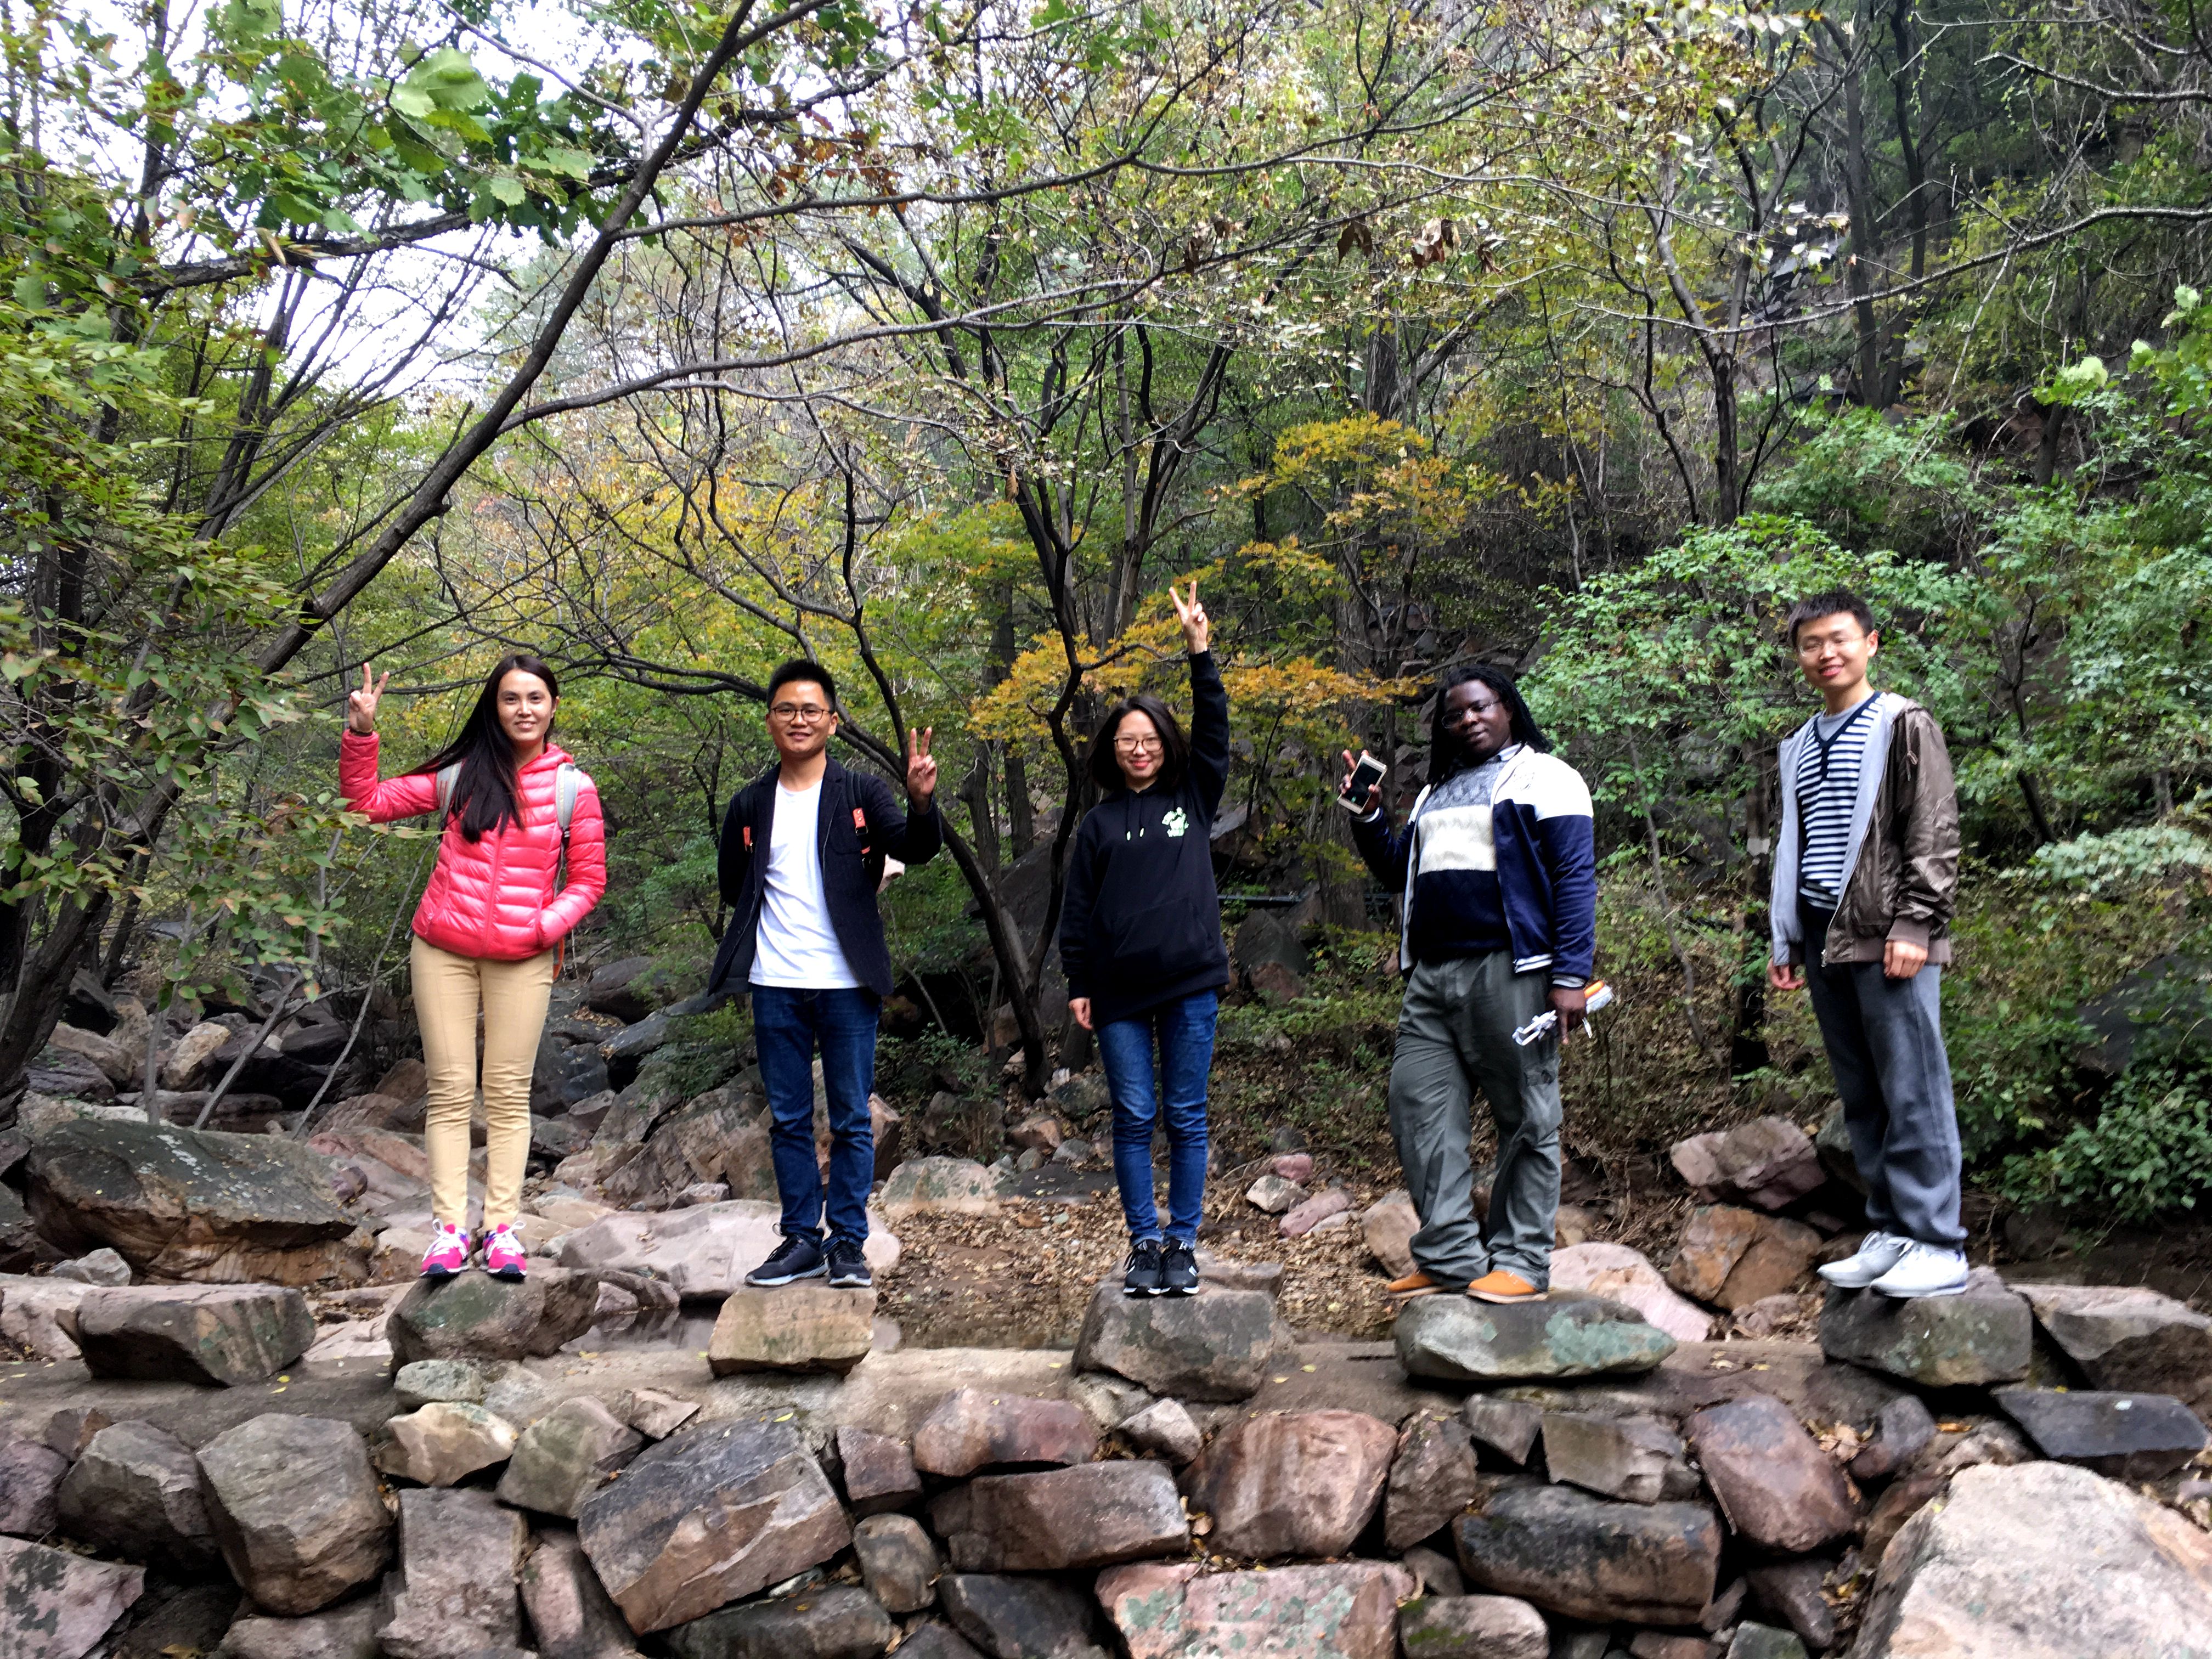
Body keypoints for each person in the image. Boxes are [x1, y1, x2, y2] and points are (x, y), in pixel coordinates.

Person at [341, 654, 606, 1280]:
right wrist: (361, 732)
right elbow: (365, 803)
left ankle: (503, 1231)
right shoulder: (460, 776)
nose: (524, 709)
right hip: (444, 949)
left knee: (508, 1094)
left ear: (553, 707)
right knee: (451, 1091)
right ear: (495, 707)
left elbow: (589, 880)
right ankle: (449, 1233)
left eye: (535, 698)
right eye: (511, 698)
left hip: (523, 958)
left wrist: (542, 927)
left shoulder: (573, 789)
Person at [1344, 666, 1597, 1305]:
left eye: (1480, 707)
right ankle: (1451, 1257)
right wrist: (1369, 818)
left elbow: (1574, 878)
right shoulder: (1436, 792)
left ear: (1507, 707)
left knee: (1526, 1115)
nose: (1467, 721)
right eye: (1454, 715)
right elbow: (1400, 872)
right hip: (1431, 975)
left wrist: (1571, 975)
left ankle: (1522, 1261)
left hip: (1512, 969)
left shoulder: (1548, 777)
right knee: (1418, 1109)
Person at [709, 661, 940, 1291]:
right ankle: (801, 1240)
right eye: (787, 709)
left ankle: (847, 1243)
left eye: (811, 710)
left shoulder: (861, 793)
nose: (799, 720)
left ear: (833, 722)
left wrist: (922, 801)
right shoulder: (750, 803)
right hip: (775, 981)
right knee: (787, 1120)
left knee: (851, 1120)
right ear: (770, 721)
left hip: (847, 982)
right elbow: (734, 885)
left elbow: (917, 848)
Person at [1769, 592, 1967, 1299]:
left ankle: (1938, 1241)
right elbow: (1793, 844)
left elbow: (1934, 829)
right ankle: (1892, 1230)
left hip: (1890, 931)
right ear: (1799, 656)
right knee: (1863, 1092)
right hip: (1825, 933)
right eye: (1811, 644)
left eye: (1839, 639)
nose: (1826, 654)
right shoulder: (1798, 743)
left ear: (1871, 643)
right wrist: (1786, 936)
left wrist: (1917, 924)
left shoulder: (1902, 723)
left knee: (1913, 1087)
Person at [1061, 583, 1230, 1299]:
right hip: (1118, 993)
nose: (1140, 749)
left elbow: (1215, 731)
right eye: (1128, 740)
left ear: (1166, 744)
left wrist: (1200, 651)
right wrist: (1078, 984)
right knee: (1133, 1117)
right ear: (1113, 749)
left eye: (1151, 739)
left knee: (1185, 1116)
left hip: (1190, 980)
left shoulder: (1192, 798)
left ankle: (1182, 1242)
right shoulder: (1097, 825)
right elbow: (1077, 911)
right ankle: (1143, 1243)